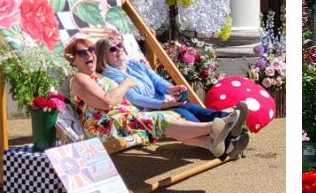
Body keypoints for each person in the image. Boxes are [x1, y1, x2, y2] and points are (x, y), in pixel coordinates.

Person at [64, 37, 245, 159]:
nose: (89, 54)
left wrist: (168, 87)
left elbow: (155, 80)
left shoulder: (101, 76)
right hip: (108, 126)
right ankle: (217, 126)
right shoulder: (80, 78)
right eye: (82, 53)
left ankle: (217, 143)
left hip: (127, 118)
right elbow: (107, 102)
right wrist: (126, 83)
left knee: (173, 115)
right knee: (162, 117)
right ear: (73, 61)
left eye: (91, 50)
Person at [96, 37, 231, 124]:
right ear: (103, 56)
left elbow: (156, 80)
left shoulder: (134, 64)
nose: (119, 50)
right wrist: (164, 105)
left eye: (119, 45)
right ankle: (224, 136)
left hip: (164, 103)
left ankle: (231, 119)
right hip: (149, 111)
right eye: (113, 49)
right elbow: (134, 98)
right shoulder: (110, 74)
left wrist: (170, 88)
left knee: (198, 110)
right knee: (188, 116)